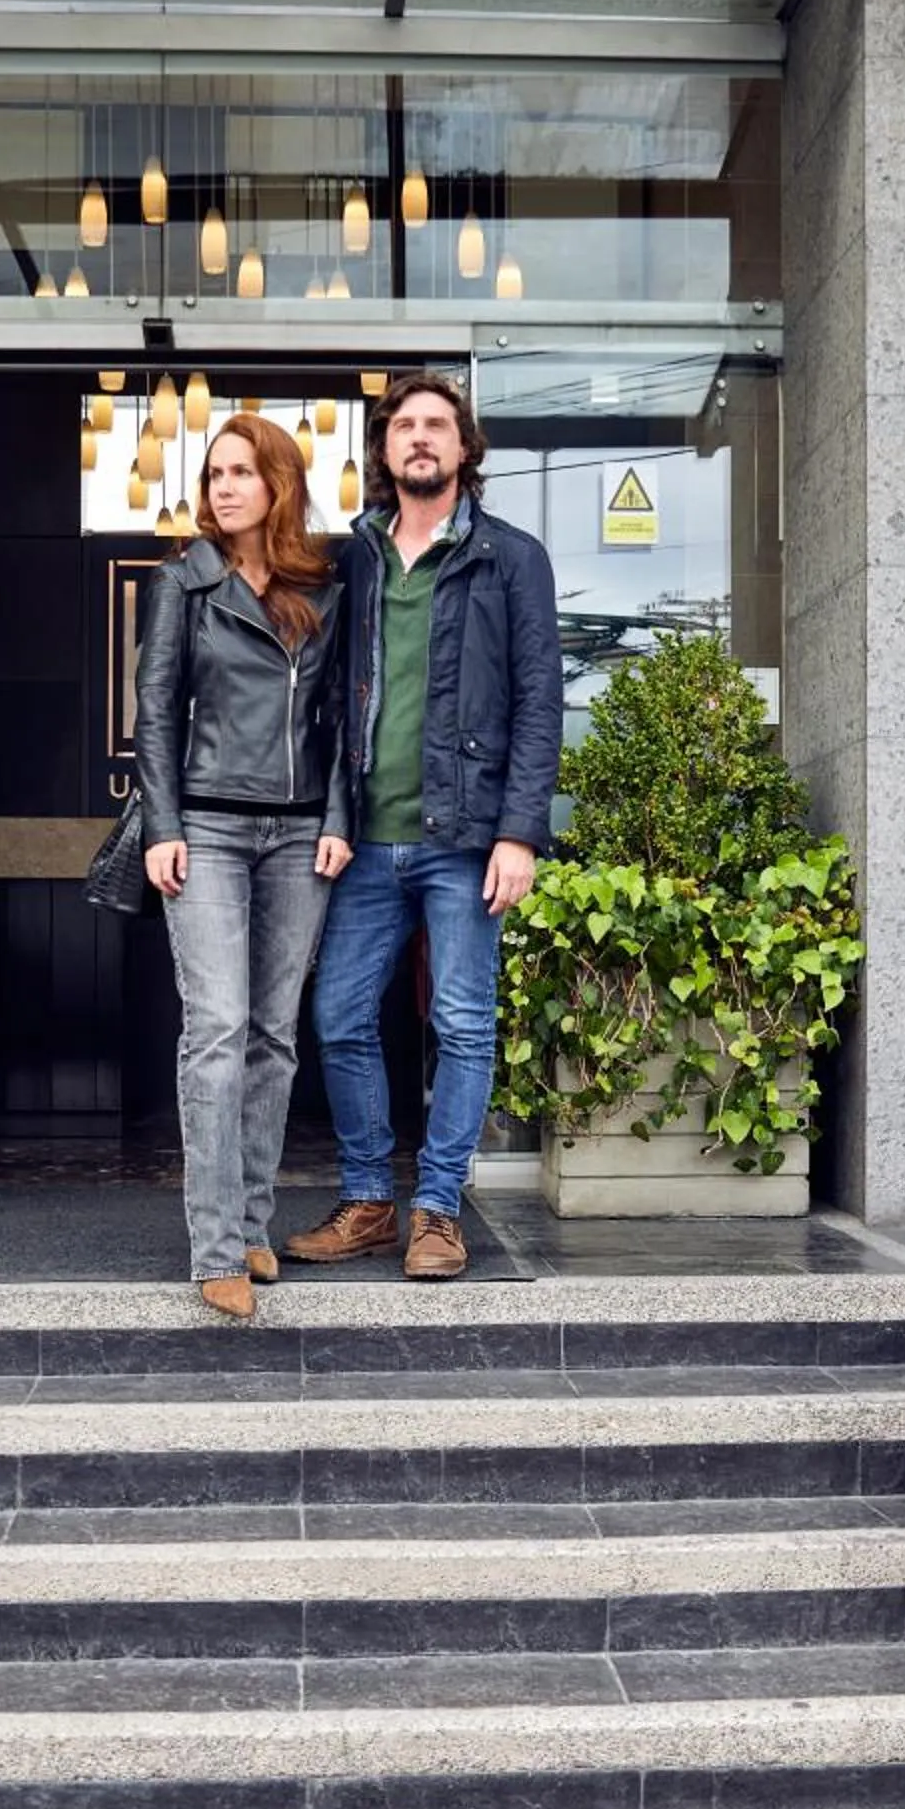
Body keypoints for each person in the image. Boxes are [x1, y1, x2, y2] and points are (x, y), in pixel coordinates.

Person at [285, 373, 561, 1281]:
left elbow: (538, 704)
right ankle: (369, 1199)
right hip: (366, 837)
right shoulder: (353, 558)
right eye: (404, 426)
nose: (420, 439)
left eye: (437, 425)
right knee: (338, 1016)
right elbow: (324, 702)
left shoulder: (511, 558)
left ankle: (438, 1210)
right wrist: (332, 813)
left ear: (465, 447)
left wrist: (518, 832)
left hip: (466, 839)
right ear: (385, 449)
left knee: (464, 1022)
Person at [136, 415, 354, 1321]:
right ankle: (216, 1245)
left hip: (302, 837)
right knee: (217, 1031)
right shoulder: (183, 584)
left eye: (240, 472)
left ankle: (255, 1224)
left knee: (272, 1035)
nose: (223, 487)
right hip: (212, 830)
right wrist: (162, 824)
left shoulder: (324, 587)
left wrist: (339, 816)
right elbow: (154, 713)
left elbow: (345, 717)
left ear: (278, 483)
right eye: (213, 473)